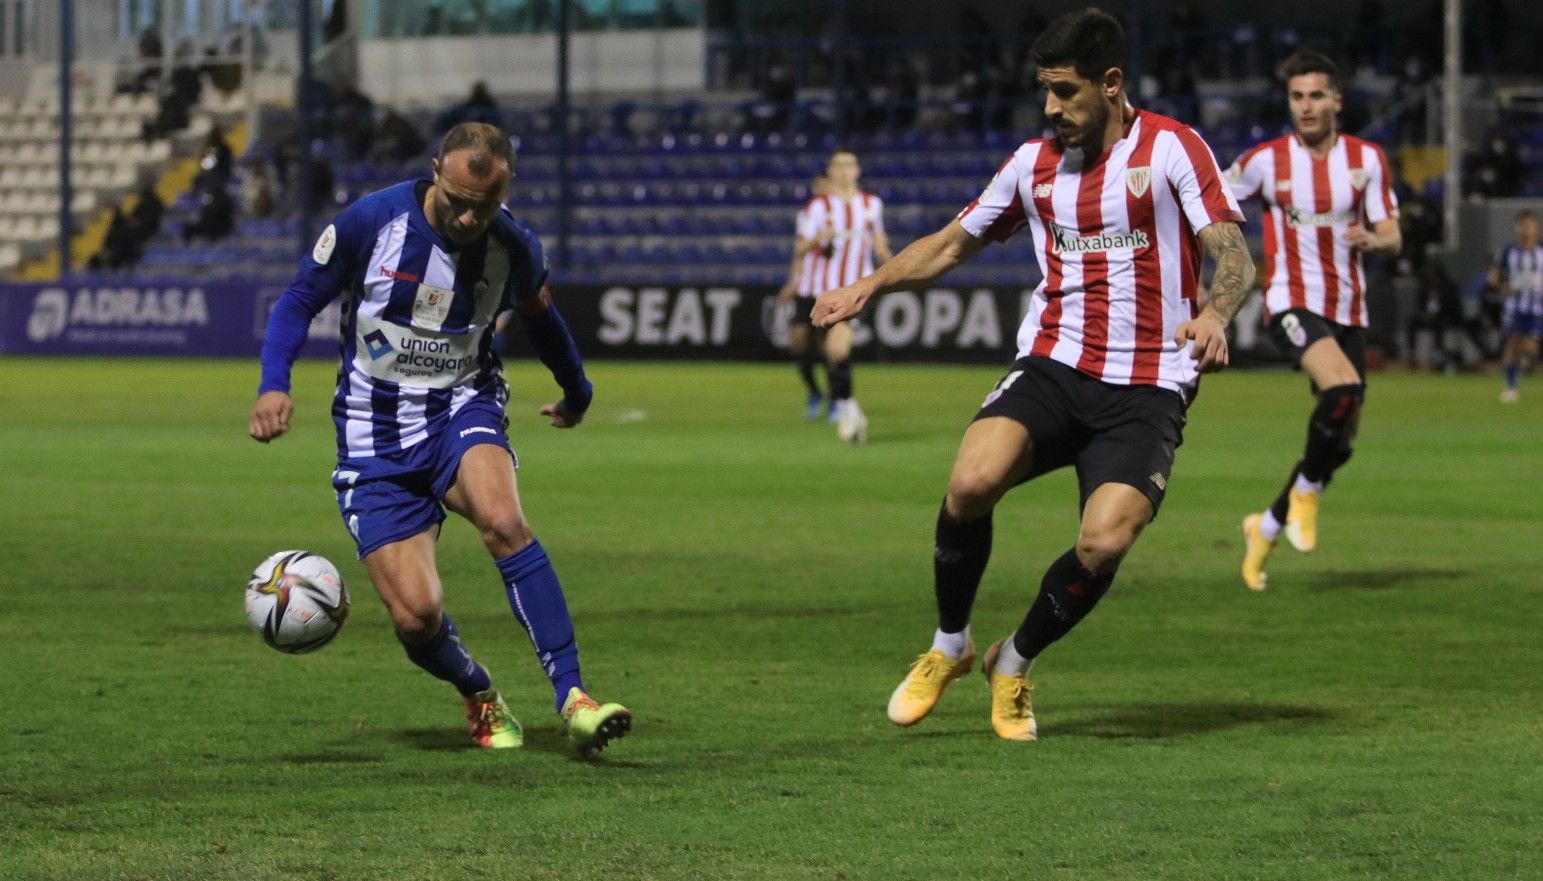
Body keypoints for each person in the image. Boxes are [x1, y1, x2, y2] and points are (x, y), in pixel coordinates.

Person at [813, 8, 1254, 741]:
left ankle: (1010, 660)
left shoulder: (1174, 149)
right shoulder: (1033, 163)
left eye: (1065, 91)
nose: (1050, 107)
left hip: (1146, 385)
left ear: (1110, 84)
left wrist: (1214, 314)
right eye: (1044, 91)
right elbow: (953, 243)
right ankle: (949, 643)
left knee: (1103, 542)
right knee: (969, 482)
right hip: (1053, 363)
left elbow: (1230, 250)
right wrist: (869, 285)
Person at [248, 122, 632, 754]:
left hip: (462, 406)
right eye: (456, 200)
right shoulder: (371, 223)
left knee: (505, 520)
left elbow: (545, 323)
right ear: (435, 173)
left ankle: (575, 698)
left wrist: (578, 392)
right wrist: (273, 384)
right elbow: (297, 300)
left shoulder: (515, 248)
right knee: (416, 617)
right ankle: (476, 689)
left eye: (484, 204)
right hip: (375, 438)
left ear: (505, 187)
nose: (467, 217)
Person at [1228, 51, 1401, 591]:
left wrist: (1375, 238)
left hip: (1349, 307)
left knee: (1343, 441)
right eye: (1297, 96)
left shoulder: (1366, 159)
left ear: (1336, 101)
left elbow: (1394, 233)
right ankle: (1306, 493)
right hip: (1291, 300)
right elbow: (1208, 202)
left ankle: (1267, 525)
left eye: (1315, 96)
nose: (1305, 106)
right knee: (1343, 388)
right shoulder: (1265, 162)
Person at [804, 149, 893, 444]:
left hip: (858, 289)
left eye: (849, 165)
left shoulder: (871, 205)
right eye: (838, 165)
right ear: (830, 172)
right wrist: (821, 239)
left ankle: (847, 409)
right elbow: (804, 247)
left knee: (838, 349)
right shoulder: (819, 207)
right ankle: (847, 404)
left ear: (857, 171)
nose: (844, 171)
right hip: (825, 290)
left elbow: (879, 239)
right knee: (831, 352)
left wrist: (890, 261)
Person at [777, 172, 832, 419]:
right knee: (799, 340)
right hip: (806, 288)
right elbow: (800, 252)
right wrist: (791, 283)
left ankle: (836, 397)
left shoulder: (842, 217)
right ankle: (814, 391)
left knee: (829, 347)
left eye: (824, 186)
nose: (820, 190)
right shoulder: (807, 217)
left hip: (830, 289)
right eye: (817, 186)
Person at [1494, 210, 1543, 402]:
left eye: (1530, 224)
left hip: (1536, 307)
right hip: (1514, 307)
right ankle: (1512, 388)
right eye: (1523, 225)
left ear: (1536, 227)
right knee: (1512, 345)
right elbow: (1494, 276)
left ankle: (1523, 364)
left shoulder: (1541, 252)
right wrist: (1505, 288)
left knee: (1530, 348)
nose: (1527, 229)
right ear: (1517, 228)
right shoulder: (1509, 252)